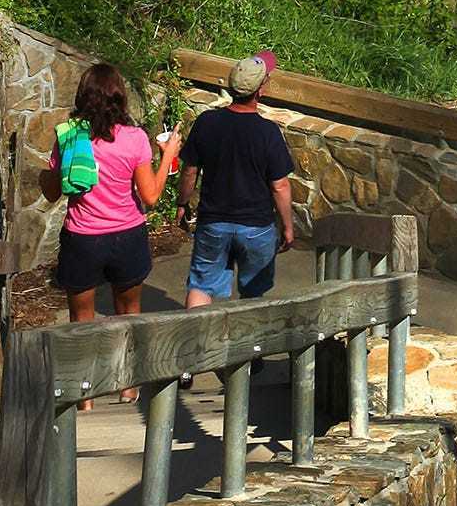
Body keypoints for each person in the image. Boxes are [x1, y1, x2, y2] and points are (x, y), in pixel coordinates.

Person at [39, 62, 181, 399]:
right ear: (120, 98)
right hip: (127, 236)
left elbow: (51, 192)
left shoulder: (70, 137)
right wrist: (168, 157)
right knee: (128, 315)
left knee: (81, 320)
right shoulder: (134, 139)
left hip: (82, 238)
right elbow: (150, 196)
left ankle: (83, 396)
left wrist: (48, 172)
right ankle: (128, 386)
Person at [179, 54, 297, 306]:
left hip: (213, 222)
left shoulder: (206, 122)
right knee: (253, 294)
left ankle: (195, 341)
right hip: (256, 227)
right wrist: (287, 226)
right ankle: (245, 342)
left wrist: (182, 202)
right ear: (260, 91)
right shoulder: (268, 132)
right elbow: (280, 185)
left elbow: (190, 170)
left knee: (201, 285)